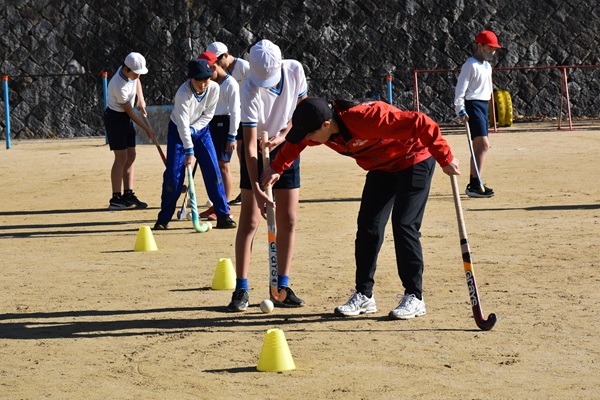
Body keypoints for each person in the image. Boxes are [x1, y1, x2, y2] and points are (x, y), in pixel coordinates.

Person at [261, 97, 461, 320]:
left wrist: (445, 157)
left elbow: (421, 122)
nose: (307, 140)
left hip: (413, 158)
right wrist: (277, 168)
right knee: (368, 227)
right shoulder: (320, 130)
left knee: (404, 225)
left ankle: (415, 296)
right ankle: (364, 295)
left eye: (309, 135)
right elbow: (296, 144)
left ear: (326, 125)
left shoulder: (367, 119)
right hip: (381, 167)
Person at [227, 39, 308, 312]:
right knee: (250, 220)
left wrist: (284, 134)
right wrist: (257, 188)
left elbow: (303, 112)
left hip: (287, 147)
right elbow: (249, 145)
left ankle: (281, 287)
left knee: (289, 218)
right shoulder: (249, 88)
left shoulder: (295, 70)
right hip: (255, 154)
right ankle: (241, 288)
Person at [153, 58, 236, 230]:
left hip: (202, 132)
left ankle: (223, 215)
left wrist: (194, 130)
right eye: (199, 81)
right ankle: (163, 219)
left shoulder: (214, 88)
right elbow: (182, 125)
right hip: (178, 133)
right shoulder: (182, 94)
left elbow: (208, 115)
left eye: (206, 80)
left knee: (213, 171)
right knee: (174, 176)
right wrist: (189, 150)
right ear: (191, 79)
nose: (203, 85)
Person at [104, 52, 157, 210]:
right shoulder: (118, 86)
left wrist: (141, 99)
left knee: (131, 155)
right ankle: (116, 198)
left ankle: (128, 193)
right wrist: (147, 129)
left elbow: (137, 80)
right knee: (121, 157)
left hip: (125, 118)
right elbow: (130, 112)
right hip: (115, 119)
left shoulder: (130, 72)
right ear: (126, 69)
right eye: (136, 73)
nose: (138, 76)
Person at [454, 30, 501, 198]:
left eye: (494, 49)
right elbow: (460, 88)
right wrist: (460, 108)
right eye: (489, 48)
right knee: (483, 144)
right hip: (473, 105)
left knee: (479, 146)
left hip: (483, 105)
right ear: (479, 46)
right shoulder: (470, 65)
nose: (492, 52)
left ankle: (476, 182)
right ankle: (475, 183)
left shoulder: (487, 66)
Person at [196, 51, 241, 220]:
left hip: (225, 124)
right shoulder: (210, 83)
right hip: (209, 123)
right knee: (212, 166)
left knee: (223, 166)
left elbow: (235, 111)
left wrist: (232, 136)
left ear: (214, 67)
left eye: (207, 72)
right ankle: (217, 204)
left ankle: (225, 207)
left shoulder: (231, 83)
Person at [207, 41, 251, 206]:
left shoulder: (243, 67)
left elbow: (258, 87)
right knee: (240, 153)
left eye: (218, 62)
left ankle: (250, 188)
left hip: (246, 114)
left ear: (225, 55)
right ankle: (244, 189)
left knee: (245, 153)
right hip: (234, 115)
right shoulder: (222, 75)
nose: (216, 66)